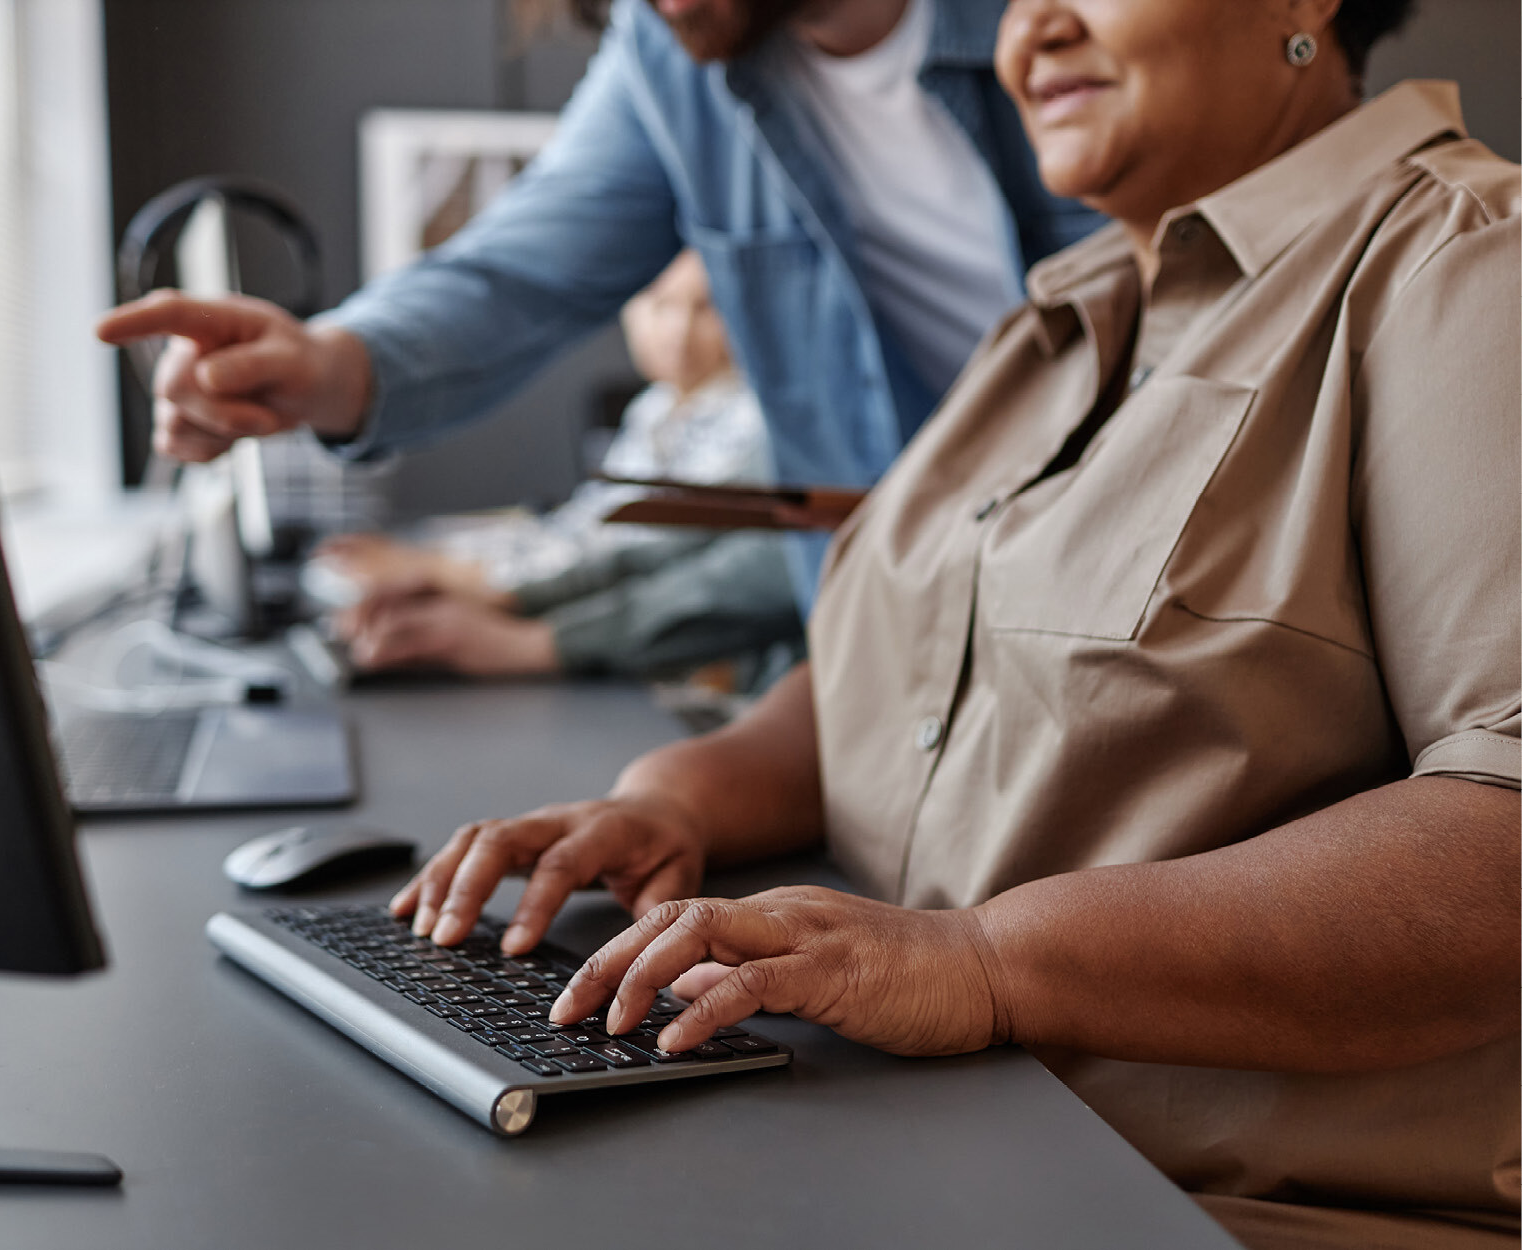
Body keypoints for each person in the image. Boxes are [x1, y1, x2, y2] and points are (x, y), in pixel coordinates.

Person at [383, 1, 1521, 1246]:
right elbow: (897, 666)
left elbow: (1500, 840)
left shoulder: (1467, 266)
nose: (1030, 28)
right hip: (918, 1141)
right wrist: (676, 802)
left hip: (1209, 1203)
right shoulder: (1054, 319)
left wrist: (982, 960)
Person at [96, 0, 1103, 609]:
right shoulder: (669, 55)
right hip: (901, 630)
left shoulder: (1085, 35)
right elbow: (516, 269)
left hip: (1117, 584)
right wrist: (325, 365)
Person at [316, 251, 803, 682]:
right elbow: (599, 532)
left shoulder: (755, 420)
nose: (677, 331)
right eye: (659, 303)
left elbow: (649, 549)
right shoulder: (656, 408)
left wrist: (481, 589)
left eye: (707, 308)